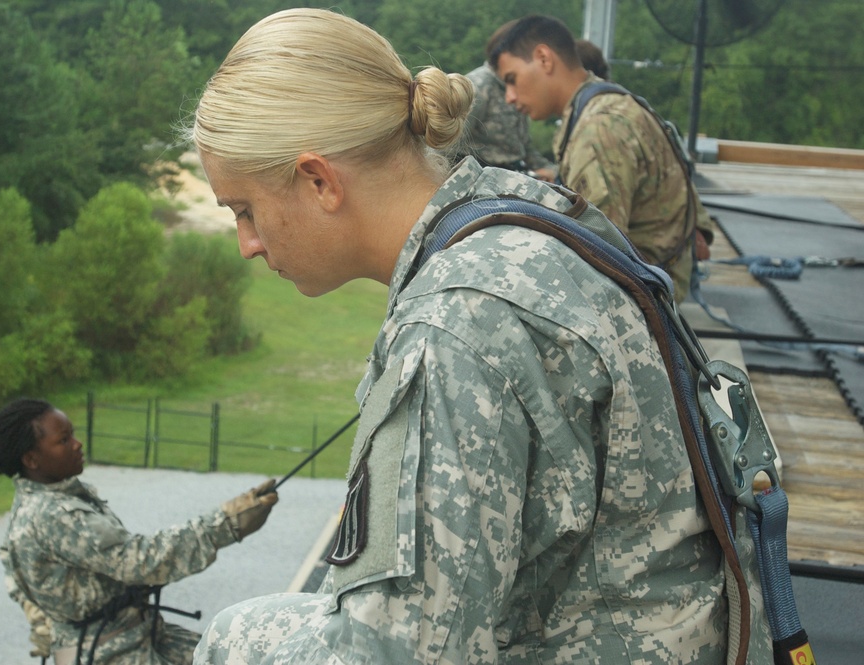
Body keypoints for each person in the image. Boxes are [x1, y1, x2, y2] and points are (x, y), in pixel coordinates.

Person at [189, 7, 725, 664]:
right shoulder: (518, 216)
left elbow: (402, 652)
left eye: (245, 210)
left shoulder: (454, 328)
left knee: (231, 639)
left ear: (318, 180)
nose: (247, 244)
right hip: (652, 627)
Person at [0, 398, 278, 665]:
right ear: (31, 460)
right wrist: (226, 524)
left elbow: (11, 557)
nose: (77, 444)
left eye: (73, 434)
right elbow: (138, 560)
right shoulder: (53, 514)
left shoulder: (56, 498)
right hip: (109, 651)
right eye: (64, 440)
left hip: (137, 632)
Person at [491, 15, 712, 302]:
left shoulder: (596, 129)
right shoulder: (602, 104)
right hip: (655, 280)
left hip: (647, 300)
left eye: (512, 80)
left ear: (544, 58)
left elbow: (600, 259)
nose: (509, 96)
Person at [448, 20, 556, 181]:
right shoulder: (477, 87)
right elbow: (447, 144)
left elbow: (523, 146)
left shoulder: (521, 86)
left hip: (514, 175)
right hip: (480, 179)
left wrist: (549, 170)